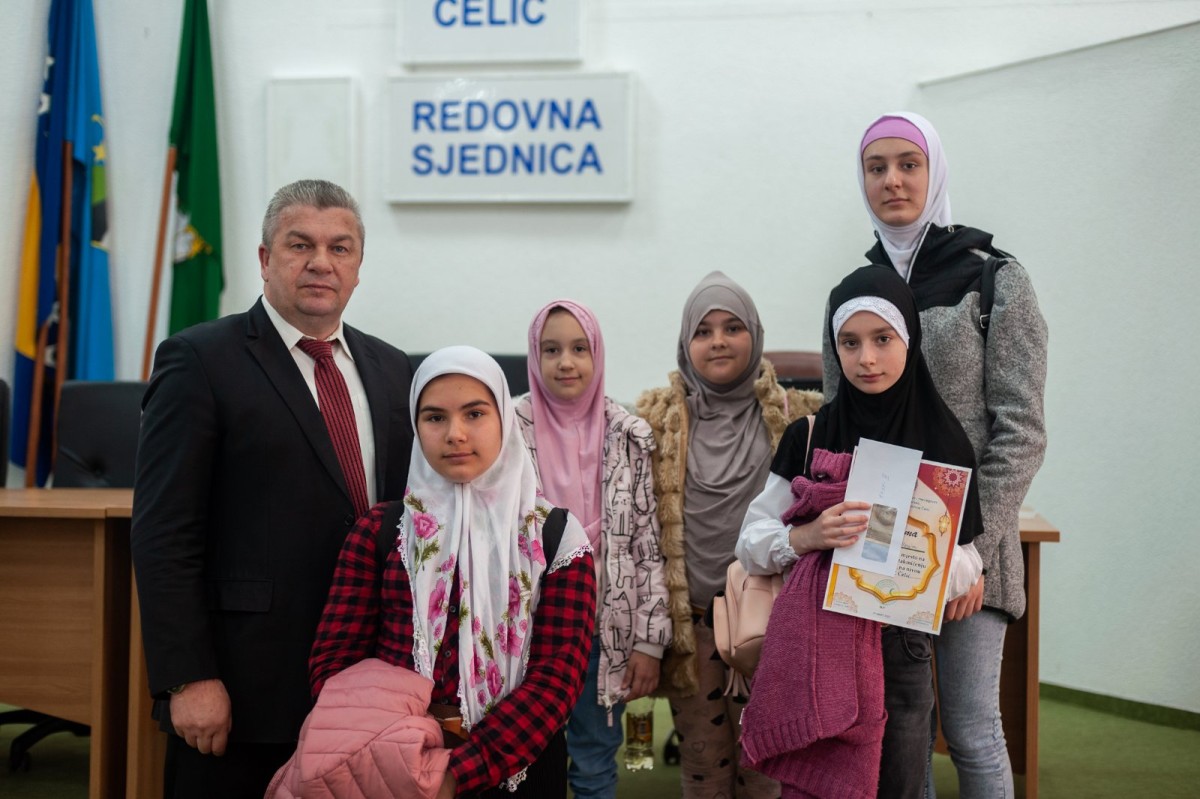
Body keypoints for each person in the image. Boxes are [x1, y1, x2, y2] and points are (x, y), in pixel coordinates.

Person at [130, 179, 415, 798]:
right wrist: (187, 677)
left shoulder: (395, 369)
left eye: (340, 248)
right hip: (242, 685)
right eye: (299, 244)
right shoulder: (199, 360)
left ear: (358, 267)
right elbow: (163, 533)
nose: (321, 262)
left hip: (364, 678)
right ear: (265, 259)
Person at [826, 112, 1048, 798]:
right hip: (883, 546)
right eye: (876, 167)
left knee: (974, 729)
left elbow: (1021, 429)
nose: (892, 180)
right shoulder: (854, 290)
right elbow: (840, 425)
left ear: (935, 170)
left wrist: (970, 547)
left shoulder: (994, 278)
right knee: (902, 729)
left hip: (974, 549)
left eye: (908, 164)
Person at [737, 264, 984, 798]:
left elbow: (968, 558)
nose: (867, 358)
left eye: (882, 339)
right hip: (817, 648)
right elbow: (750, 543)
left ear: (909, 338)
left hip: (902, 649)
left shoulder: (944, 442)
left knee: (898, 784)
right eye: (850, 342)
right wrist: (806, 537)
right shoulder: (811, 435)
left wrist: (923, 570)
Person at [308, 345, 597, 797]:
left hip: (519, 769)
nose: (455, 434)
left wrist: (455, 774)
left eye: (475, 414)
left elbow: (557, 680)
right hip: (391, 771)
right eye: (435, 417)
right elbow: (334, 665)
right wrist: (399, 753)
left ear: (504, 419)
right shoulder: (382, 532)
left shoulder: (555, 537)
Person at [636, 270, 822, 798]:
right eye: (703, 331)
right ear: (685, 343)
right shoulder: (655, 422)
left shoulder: (799, 416)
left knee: (767, 764)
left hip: (770, 621)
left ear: (755, 335)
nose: (718, 341)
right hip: (693, 626)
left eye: (732, 327)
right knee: (702, 763)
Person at [514, 300, 672, 799]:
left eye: (579, 349)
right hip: (529, 631)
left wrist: (649, 642)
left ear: (597, 354)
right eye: (551, 350)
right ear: (534, 356)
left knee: (595, 759)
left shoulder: (628, 434)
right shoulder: (508, 429)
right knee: (525, 761)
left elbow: (648, 545)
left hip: (606, 627)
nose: (566, 362)